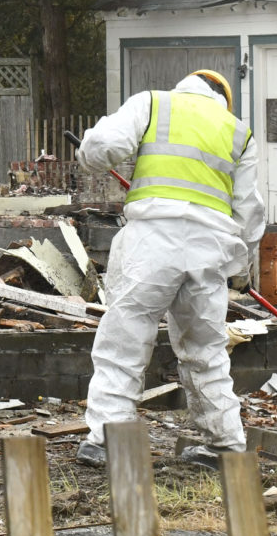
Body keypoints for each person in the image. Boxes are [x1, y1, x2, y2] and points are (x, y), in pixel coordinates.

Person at [65, 67, 263, 465]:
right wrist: (241, 264)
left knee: (125, 341)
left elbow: (103, 146)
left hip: (152, 240)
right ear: (222, 98)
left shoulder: (154, 102)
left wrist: (87, 156)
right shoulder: (238, 131)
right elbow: (250, 212)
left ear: (187, 86)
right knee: (205, 351)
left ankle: (109, 440)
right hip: (210, 248)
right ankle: (225, 445)